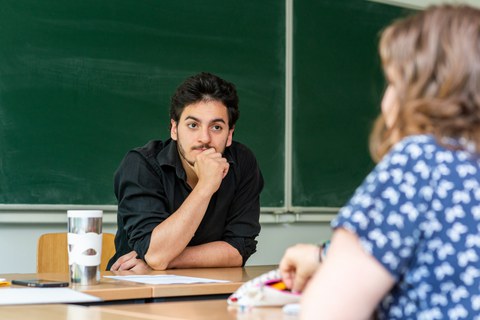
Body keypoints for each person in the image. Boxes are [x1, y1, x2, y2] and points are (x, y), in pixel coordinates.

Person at [279, 5, 480, 319]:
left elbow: (326, 312)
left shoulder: (420, 162)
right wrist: (323, 255)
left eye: (392, 81)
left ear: (420, 91)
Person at [107, 72, 263, 272]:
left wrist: (166, 260)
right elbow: (155, 253)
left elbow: (238, 249)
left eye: (216, 127)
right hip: (137, 289)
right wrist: (206, 186)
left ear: (229, 134)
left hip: (209, 289)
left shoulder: (242, 163)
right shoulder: (141, 165)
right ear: (174, 129)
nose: (204, 138)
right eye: (193, 125)